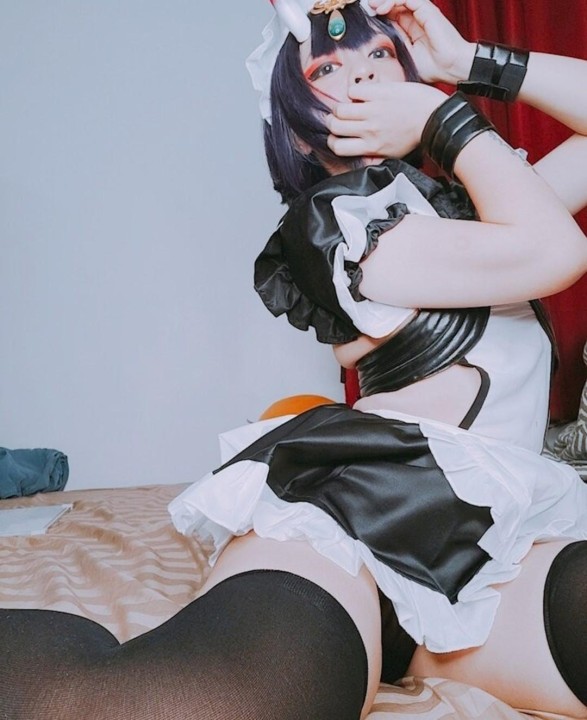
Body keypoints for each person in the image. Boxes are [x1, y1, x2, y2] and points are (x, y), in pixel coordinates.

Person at [2, 1, 587, 719]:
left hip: (489, 557)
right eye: (328, 68)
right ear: (301, 130)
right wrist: (442, 115)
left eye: (381, 56)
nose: (364, 76)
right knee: (180, 704)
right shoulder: (341, 223)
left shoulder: (478, 204)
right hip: (350, 524)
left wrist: (464, 61)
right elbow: (555, 253)